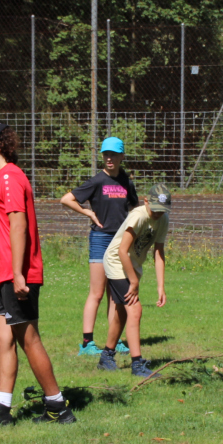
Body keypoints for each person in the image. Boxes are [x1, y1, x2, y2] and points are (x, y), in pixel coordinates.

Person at [0, 121, 75, 426]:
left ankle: (58, 408)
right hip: (6, 276)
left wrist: (16, 275)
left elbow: (18, 225)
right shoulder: (3, 178)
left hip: (19, 275)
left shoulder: (10, 177)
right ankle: (1, 411)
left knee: (29, 340)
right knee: (3, 339)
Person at [59, 137, 137, 355]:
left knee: (115, 295)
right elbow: (66, 199)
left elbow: (134, 207)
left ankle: (115, 340)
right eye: (106, 155)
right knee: (97, 293)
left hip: (120, 243)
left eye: (114, 155)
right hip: (101, 239)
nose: (109, 158)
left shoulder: (127, 182)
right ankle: (87, 344)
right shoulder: (97, 181)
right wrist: (88, 212)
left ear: (122, 157)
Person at [99, 184, 171, 377]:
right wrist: (133, 281)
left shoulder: (163, 220)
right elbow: (122, 251)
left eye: (162, 210)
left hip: (132, 265)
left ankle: (106, 357)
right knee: (135, 309)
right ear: (145, 201)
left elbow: (159, 253)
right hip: (116, 263)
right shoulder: (138, 216)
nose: (158, 214)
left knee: (122, 313)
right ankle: (137, 365)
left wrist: (161, 287)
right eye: (155, 210)